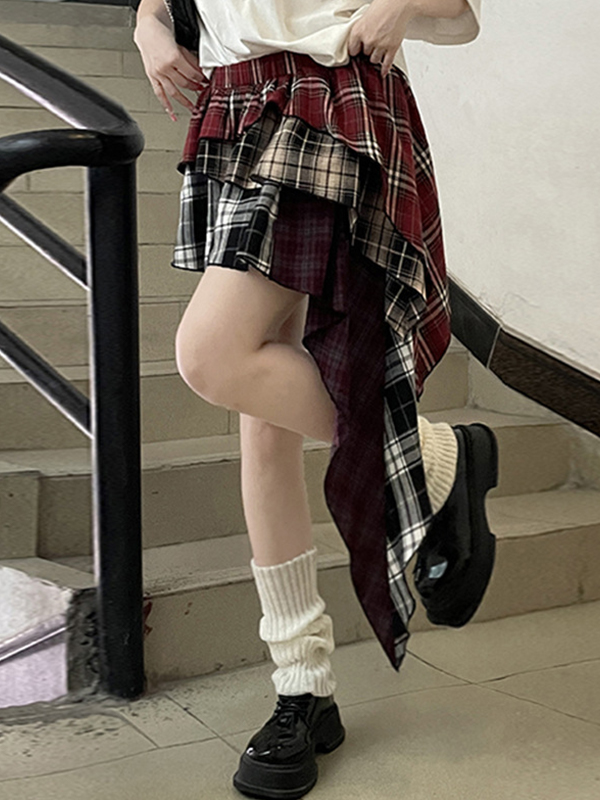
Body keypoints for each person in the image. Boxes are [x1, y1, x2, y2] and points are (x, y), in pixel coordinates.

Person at [133, 1, 497, 797]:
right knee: (261, 417)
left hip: (323, 96)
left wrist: (399, 4)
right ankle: (302, 683)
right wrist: (149, 25)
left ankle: (434, 458)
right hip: (235, 103)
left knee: (213, 353)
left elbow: (460, 11)